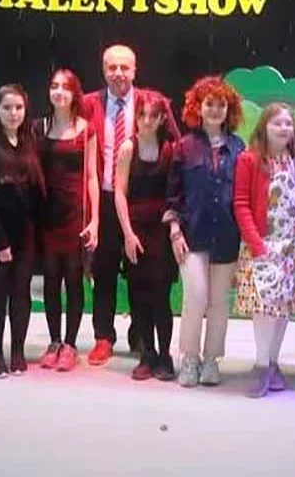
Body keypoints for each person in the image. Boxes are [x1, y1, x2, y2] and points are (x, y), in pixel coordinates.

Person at [81, 45, 178, 365]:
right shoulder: (89, 104)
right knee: (104, 271)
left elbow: (174, 145)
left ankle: (141, 335)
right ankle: (103, 337)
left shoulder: (154, 103)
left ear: (135, 70)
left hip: (143, 203)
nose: (118, 73)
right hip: (106, 198)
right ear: (103, 70)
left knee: (143, 273)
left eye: (125, 67)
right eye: (112, 67)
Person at [165, 76, 245, 387]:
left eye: (221, 104)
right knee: (195, 298)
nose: (215, 110)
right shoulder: (184, 146)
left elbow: (243, 195)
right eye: (209, 104)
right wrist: (175, 231)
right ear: (198, 107)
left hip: (227, 236)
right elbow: (173, 194)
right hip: (191, 235)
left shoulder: (238, 147)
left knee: (219, 302)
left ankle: (212, 360)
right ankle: (189, 359)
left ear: (229, 109)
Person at [232, 102, 295, 397]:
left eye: (288, 123)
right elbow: (241, 204)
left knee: (282, 309)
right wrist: (257, 244)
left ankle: (274, 361)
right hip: (263, 246)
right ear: (263, 126)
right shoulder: (249, 159)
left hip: (292, 249)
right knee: (264, 309)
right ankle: (261, 365)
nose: (283, 128)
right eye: (276, 123)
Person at [0, 85, 45, 377]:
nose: (13, 113)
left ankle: (17, 351)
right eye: (7, 108)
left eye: (18, 108)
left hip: (25, 234)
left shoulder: (30, 142)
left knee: (21, 295)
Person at [36, 69, 99, 371]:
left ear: (75, 93)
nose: (59, 92)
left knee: (74, 281)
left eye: (65, 87)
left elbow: (92, 177)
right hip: (46, 216)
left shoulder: (87, 129)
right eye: (54, 86)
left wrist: (95, 220)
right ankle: (53, 342)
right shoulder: (38, 127)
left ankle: (71, 344)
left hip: (75, 216)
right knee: (50, 281)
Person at [115, 91, 180, 381]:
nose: (147, 121)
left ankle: (165, 356)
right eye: (142, 115)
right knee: (138, 296)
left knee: (161, 297)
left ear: (163, 118)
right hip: (136, 230)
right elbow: (119, 193)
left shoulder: (171, 149)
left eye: (154, 115)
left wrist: (174, 226)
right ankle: (147, 354)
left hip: (162, 232)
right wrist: (128, 234)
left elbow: (177, 193)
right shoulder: (128, 148)